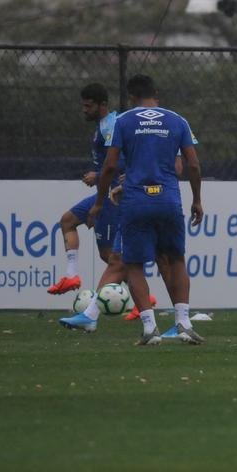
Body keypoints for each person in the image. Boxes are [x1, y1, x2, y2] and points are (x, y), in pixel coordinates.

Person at [59, 74, 203, 345]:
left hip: (136, 201)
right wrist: (197, 199)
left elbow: (111, 166)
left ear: (131, 97)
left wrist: (100, 203)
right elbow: (192, 165)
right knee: (176, 259)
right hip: (169, 200)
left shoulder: (123, 121)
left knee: (133, 264)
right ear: (155, 93)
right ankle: (183, 322)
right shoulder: (177, 120)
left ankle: (150, 328)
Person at [47, 83, 125, 296]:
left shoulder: (110, 126)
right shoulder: (103, 125)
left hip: (112, 196)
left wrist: (97, 175)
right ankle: (71, 276)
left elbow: (121, 163)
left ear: (102, 105)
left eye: (88, 106)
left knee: (109, 254)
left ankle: (143, 298)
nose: (84, 110)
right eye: (83, 105)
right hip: (103, 192)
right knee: (67, 221)